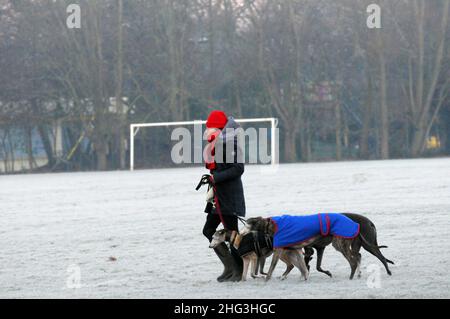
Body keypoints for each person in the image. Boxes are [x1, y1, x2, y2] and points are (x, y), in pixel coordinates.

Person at [201, 110, 246, 282]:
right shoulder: (217, 144)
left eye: (210, 128)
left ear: (218, 128)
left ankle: (238, 270)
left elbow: (238, 169)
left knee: (232, 235)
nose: (207, 132)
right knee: (208, 230)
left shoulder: (231, 144)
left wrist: (215, 177)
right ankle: (229, 267)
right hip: (217, 197)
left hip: (229, 196)